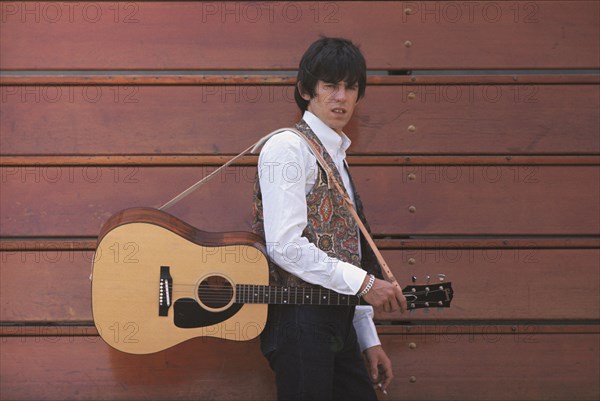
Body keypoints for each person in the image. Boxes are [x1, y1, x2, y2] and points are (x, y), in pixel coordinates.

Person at [251, 37, 407, 401]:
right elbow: (286, 248)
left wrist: (368, 338)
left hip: (337, 321)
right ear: (306, 90)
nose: (341, 97)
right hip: (299, 322)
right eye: (330, 86)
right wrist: (367, 284)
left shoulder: (334, 154)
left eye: (350, 87)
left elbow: (344, 252)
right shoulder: (287, 148)